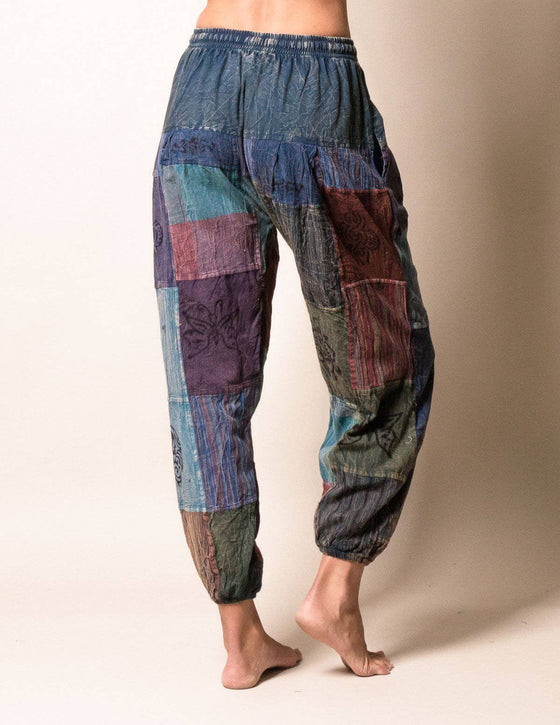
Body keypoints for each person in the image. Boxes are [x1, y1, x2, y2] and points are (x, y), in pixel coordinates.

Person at [151, 0, 436, 689]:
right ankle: (335, 591)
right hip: (311, 96)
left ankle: (240, 637)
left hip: (200, 91)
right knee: (382, 359)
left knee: (207, 387)